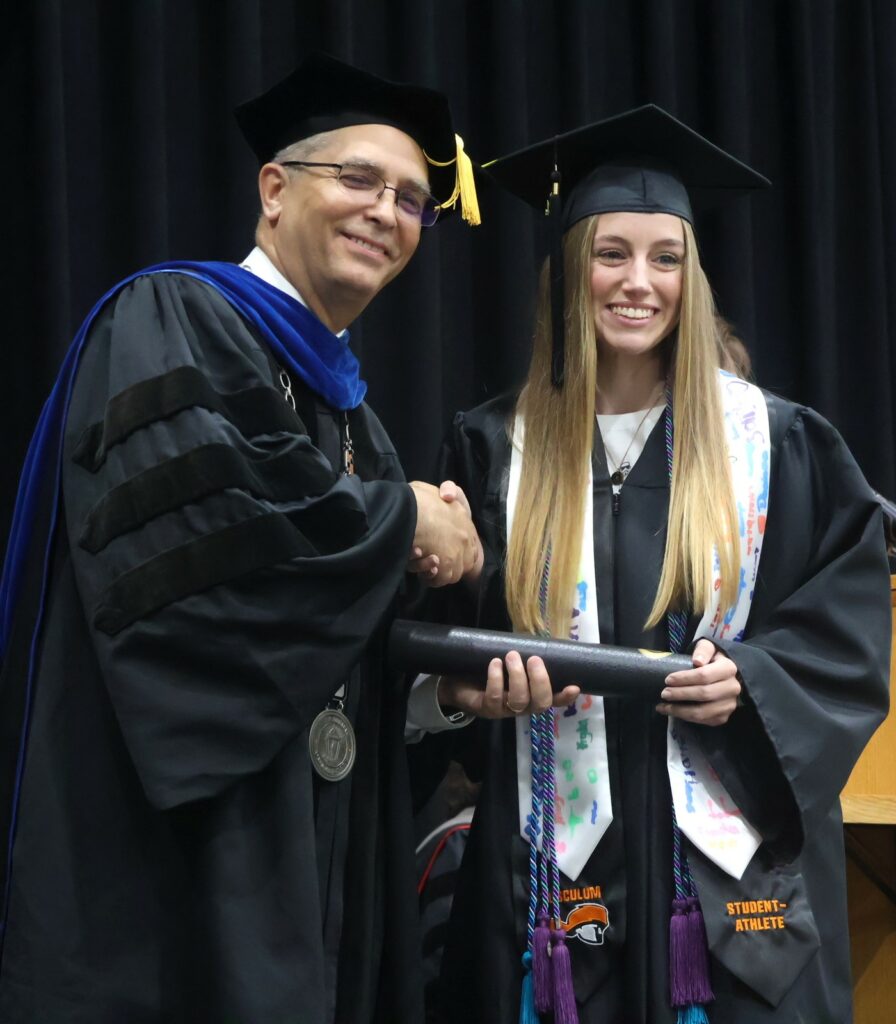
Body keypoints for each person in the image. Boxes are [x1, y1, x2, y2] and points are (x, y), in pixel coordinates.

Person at [0, 53, 482, 1023]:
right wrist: (407, 523)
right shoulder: (171, 318)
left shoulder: (358, 420)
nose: (385, 213)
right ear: (273, 188)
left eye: (412, 201)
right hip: (161, 867)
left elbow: (342, 647)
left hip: (302, 869)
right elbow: (220, 555)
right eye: (357, 179)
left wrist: (441, 694)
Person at [421, 105, 891, 1023]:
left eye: (665, 258)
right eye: (611, 254)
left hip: (736, 894)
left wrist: (752, 682)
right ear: (570, 273)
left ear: (693, 277)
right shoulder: (495, 450)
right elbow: (444, 654)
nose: (639, 283)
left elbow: (848, 623)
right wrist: (473, 688)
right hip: (552, 886)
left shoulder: (777, 444)